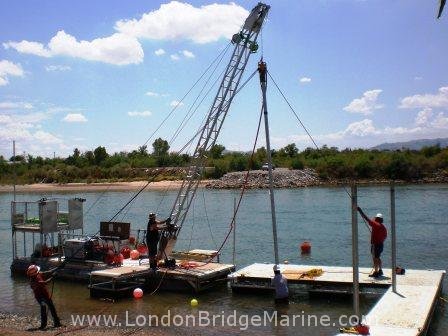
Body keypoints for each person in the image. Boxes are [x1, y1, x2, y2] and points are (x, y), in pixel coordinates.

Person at [27, 264, 61, 330]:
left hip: (45, 294)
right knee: (43, 306)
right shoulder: (33, 281)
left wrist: (58, 267)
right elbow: (45, 282)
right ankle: (43, 324)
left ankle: (57, 322)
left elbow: (48, 272)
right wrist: (52, 277)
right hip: (39, 297)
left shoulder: (38, 274)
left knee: (52, 307)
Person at [357, 207, 387, 278]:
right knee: (378, 257)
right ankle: (380, 270)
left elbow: (366, 218)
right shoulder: (383, 227)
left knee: (375, 258)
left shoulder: (375, 224)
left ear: (376, 218)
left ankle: (376, 272)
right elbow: (385, 236)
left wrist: (360, 210)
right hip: (381, 245)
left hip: (375, 245)